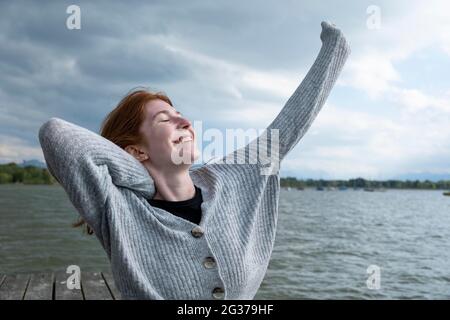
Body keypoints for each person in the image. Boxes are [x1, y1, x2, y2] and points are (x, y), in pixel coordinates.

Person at [38, 21, 350, 300]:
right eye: (165, 120)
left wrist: (333, 52)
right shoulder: (116, 207)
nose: (185, 121)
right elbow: (57, 135)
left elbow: (286, 129)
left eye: (180, 115)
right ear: (136, 150)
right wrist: (147, 179)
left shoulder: (229, 180)